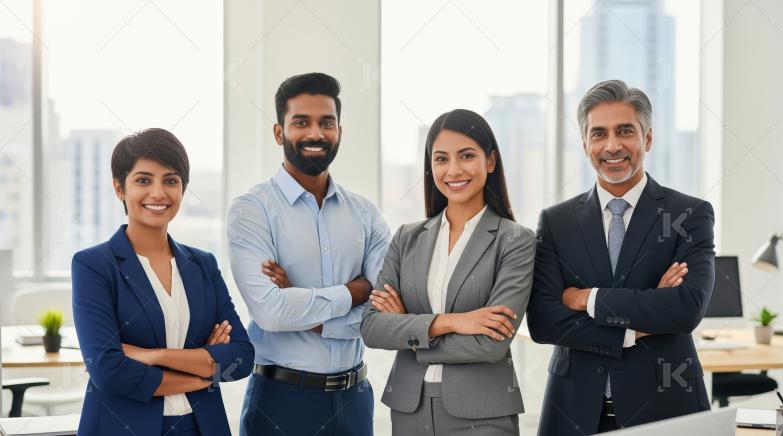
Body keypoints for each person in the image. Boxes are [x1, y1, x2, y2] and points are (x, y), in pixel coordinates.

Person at [528, 80, 715, 434]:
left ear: (647, 138)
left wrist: (587, 298)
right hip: (574, 409)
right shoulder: (556, 221)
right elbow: (545, 320)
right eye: (598, 134)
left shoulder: (688, 214)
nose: (611, 146)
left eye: (624, 131)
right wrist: (640, 321)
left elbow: (686, 308)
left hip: (667, 406)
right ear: (585, 144)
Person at [228, 72, 390, 436]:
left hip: (355, 401)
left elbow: (387, 312)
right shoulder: (252, 211)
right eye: (301, 122)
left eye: (326, 122)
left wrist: (310, 314)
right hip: (283, 402)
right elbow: (271, 312)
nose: (315, 134)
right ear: (278, 132)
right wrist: (354, 291)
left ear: (339, 132)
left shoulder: (366, 214)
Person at [361, 109, 535, 435]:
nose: (453, 170)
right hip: (409, 409)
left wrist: (410, 334)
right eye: (441, 159)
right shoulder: (407, 237)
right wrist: (451, 322)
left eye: (466, 156)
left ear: (491, 161)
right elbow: (372, 328)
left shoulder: (515, 240)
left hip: (482, 414)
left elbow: (491, 343)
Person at [71, 128, 255, 436]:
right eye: (143, 180)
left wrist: (152, 355)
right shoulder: (94, 265)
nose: (158, 193)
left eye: (170, 180)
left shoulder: (202, 264)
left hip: (201, 426)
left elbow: (241, 356)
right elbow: (108, 370)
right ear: (119, 188)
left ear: (182, 189)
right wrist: (203, 373)